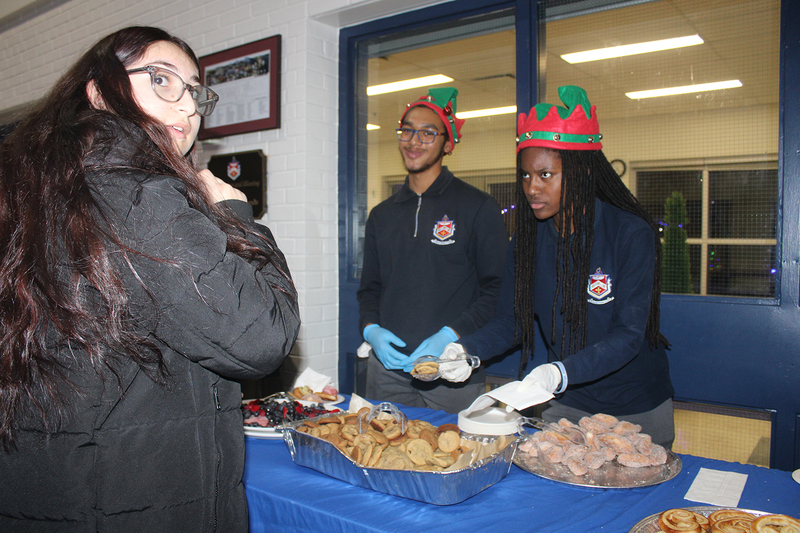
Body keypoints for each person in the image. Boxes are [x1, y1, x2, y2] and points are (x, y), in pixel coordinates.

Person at [0, 27, 300, 532]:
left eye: (196, 92)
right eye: (162, 80)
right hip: (129, 492)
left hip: (69, 478)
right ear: (99, 92)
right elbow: (262, 336)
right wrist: (235, 216)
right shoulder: (129, 184)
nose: (188, 108)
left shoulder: (48, 184)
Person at [439, 86, 675, 447]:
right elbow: (511, 321)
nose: (531, 187)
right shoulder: (528, 240)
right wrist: (468, 350)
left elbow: (629, 335)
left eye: (545, 175)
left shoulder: (629, 233)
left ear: (580, 173)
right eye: (525, 175)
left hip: (634, 407)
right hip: (568, 403)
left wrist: (559, 373)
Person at [357, 87, 509, 414]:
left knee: (454, 459)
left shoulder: (478, 207)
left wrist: (449, 335)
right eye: (407, 130)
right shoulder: (381, 215)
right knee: (382, 454)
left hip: (452, 372)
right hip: (387, 374)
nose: (414, 140)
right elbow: (370, 288)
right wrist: (372, 330)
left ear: (448, 143)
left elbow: (495, 290)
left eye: (428, 133)